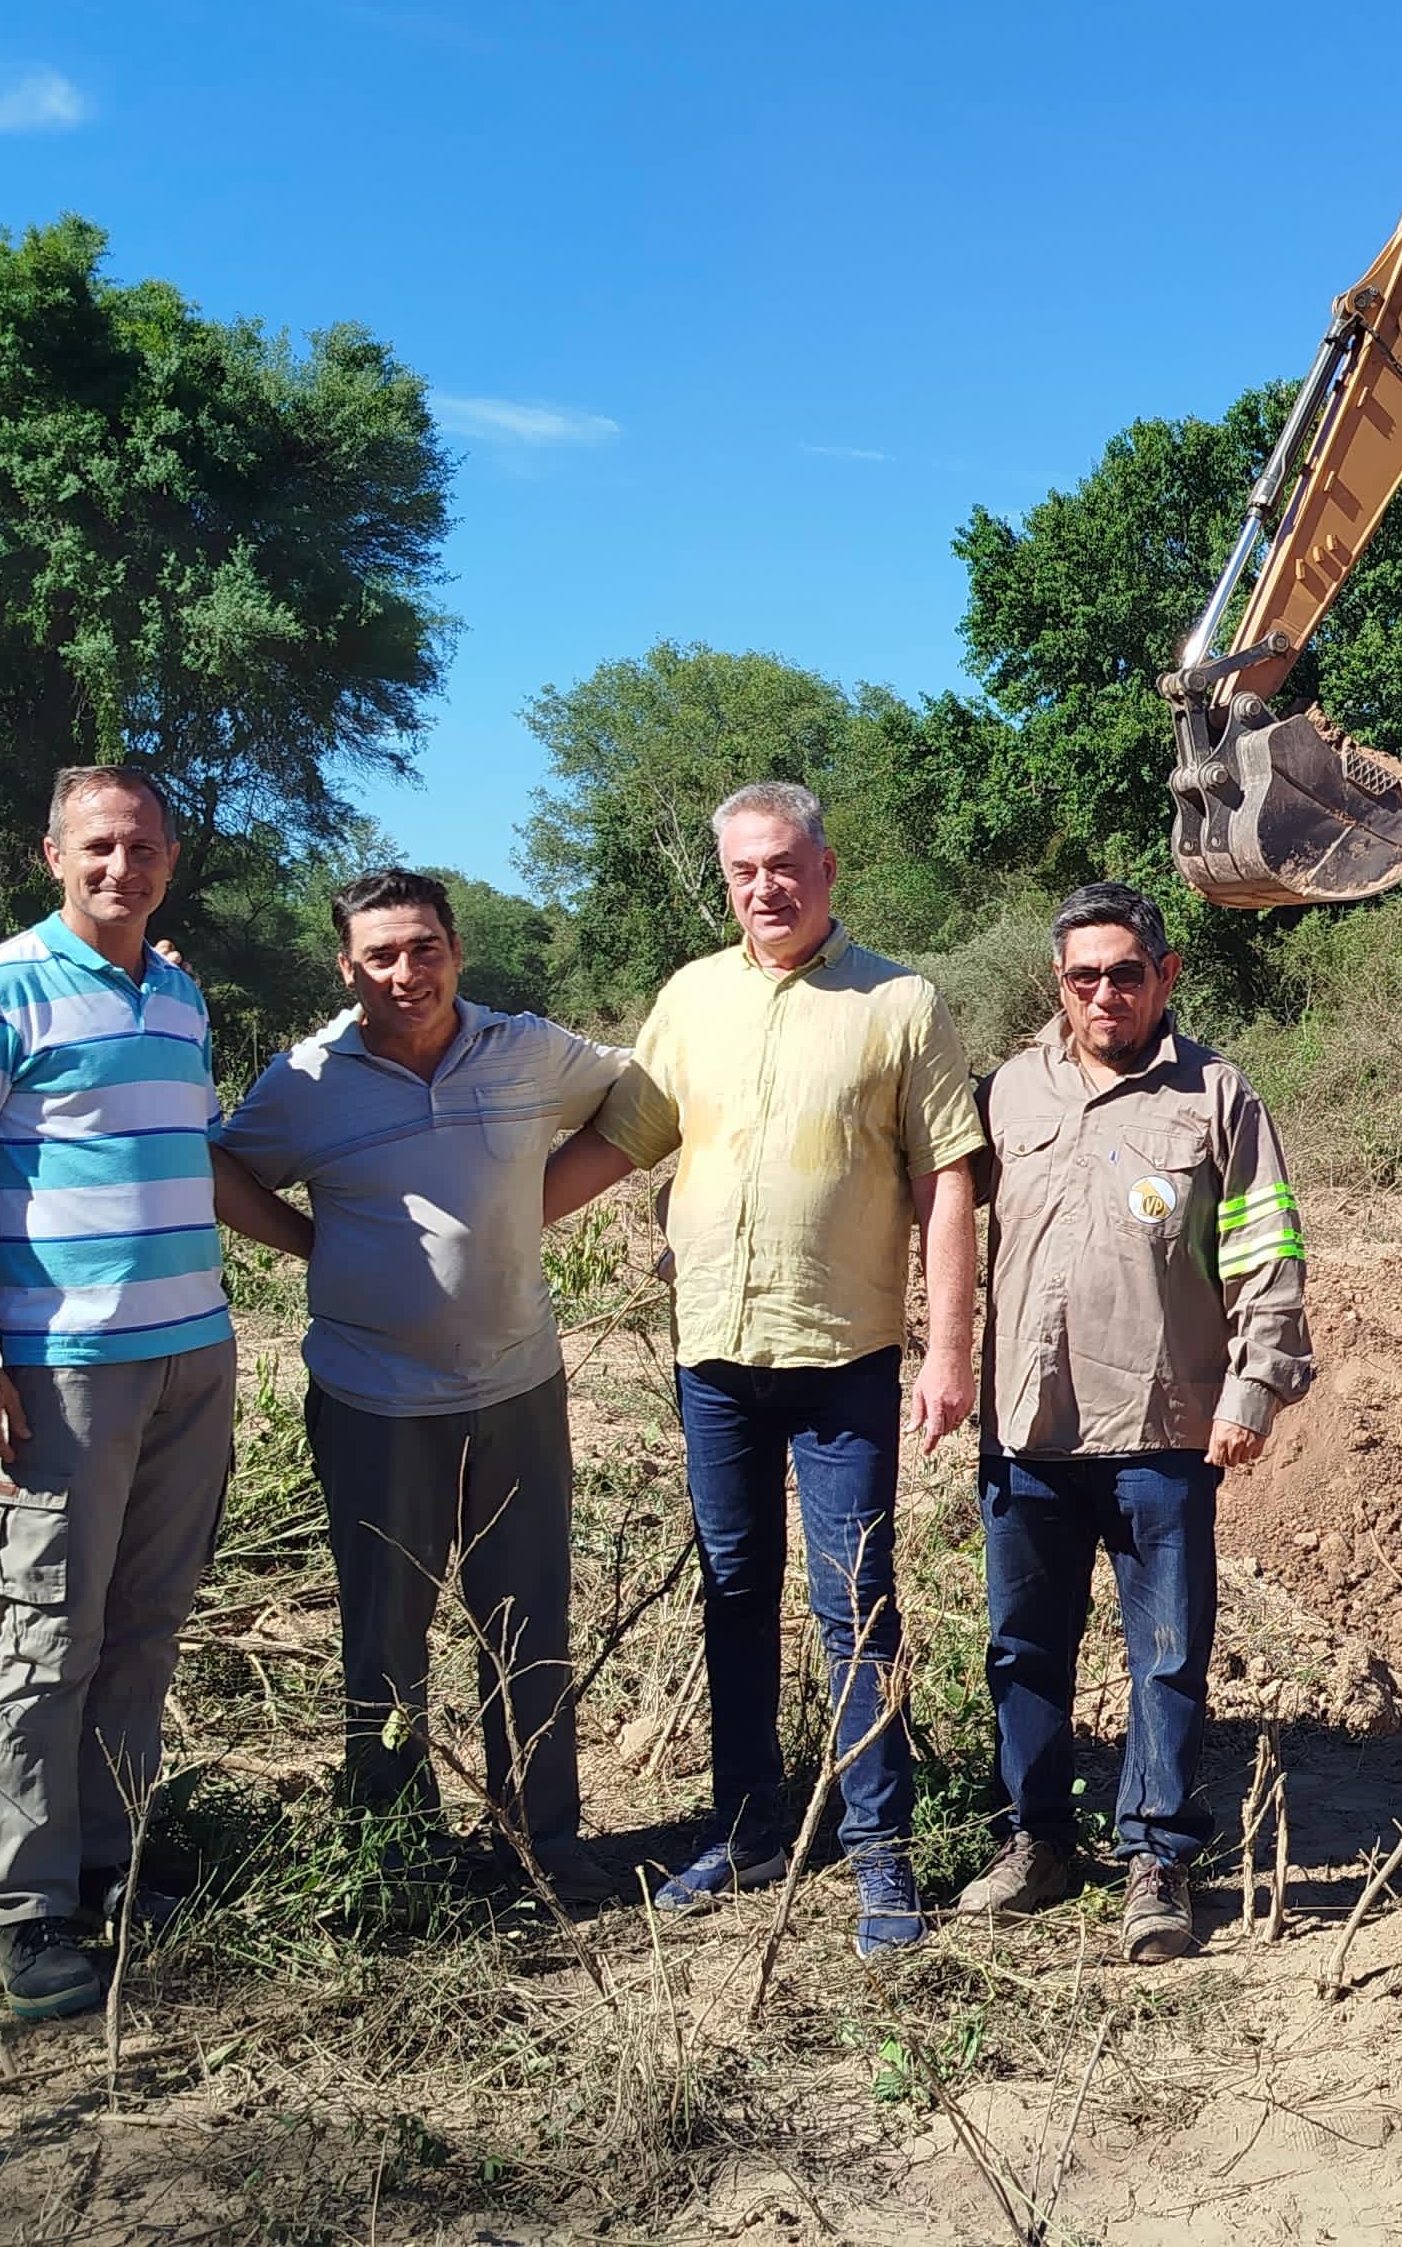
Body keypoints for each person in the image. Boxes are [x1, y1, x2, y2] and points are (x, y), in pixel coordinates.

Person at [0, 765, 305, 2022]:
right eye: (96, 847)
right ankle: (28, 1907)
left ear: (170, 860)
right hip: (61, 1372)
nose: (119, 868)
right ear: (51, 853)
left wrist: (313, 1244)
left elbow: (193, 1161)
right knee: (45, 1639)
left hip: (192, 1357)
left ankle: (112, 1865)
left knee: (142, 1628)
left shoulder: (176, 994)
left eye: (141, 847)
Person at [546, 781, 984, 1957]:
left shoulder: (899, 1001)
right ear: (726, 879)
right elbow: (621, 1137)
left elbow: (949, 1177)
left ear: (827, 869)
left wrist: (951, 1348)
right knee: (732, 1599)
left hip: (844, 1356)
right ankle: (746, 1828)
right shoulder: (690, 999)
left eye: (785, 865)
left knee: (855, 1606)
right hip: (715, 1363)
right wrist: (495, 1228)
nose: (766, 888)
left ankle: (879, 1851)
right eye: (744, 871)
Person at [214, 868, 668, 1904]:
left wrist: (533, 1210)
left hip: (516, 1385)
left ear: (455, 949)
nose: (405, 972)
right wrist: (310, 1246)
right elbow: (218, 1166)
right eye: (380, 955)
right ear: (347, 967)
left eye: (424, 948)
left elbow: (636, 1100)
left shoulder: (525, 1050)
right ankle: (397, 1860)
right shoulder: (306, 1080)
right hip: (374, 1399)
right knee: (383, 1632)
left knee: (528, 1620)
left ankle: (541, 1845)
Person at [951, 882, 1313, 1963]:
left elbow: (1266, 1251)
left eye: (1124, 972)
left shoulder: (1217, 1097)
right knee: (1023, 1648)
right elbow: (928, 1214)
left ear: (1166, 974)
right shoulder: (1007, 1093)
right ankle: (1037, 1840)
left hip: (1162, 1427)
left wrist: (1252, 1391)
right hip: (1028, 1429)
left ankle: (1156, 1858)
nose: (1103, 992)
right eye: (1081, 976)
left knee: (1163, 1656)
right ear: (1056, 985)